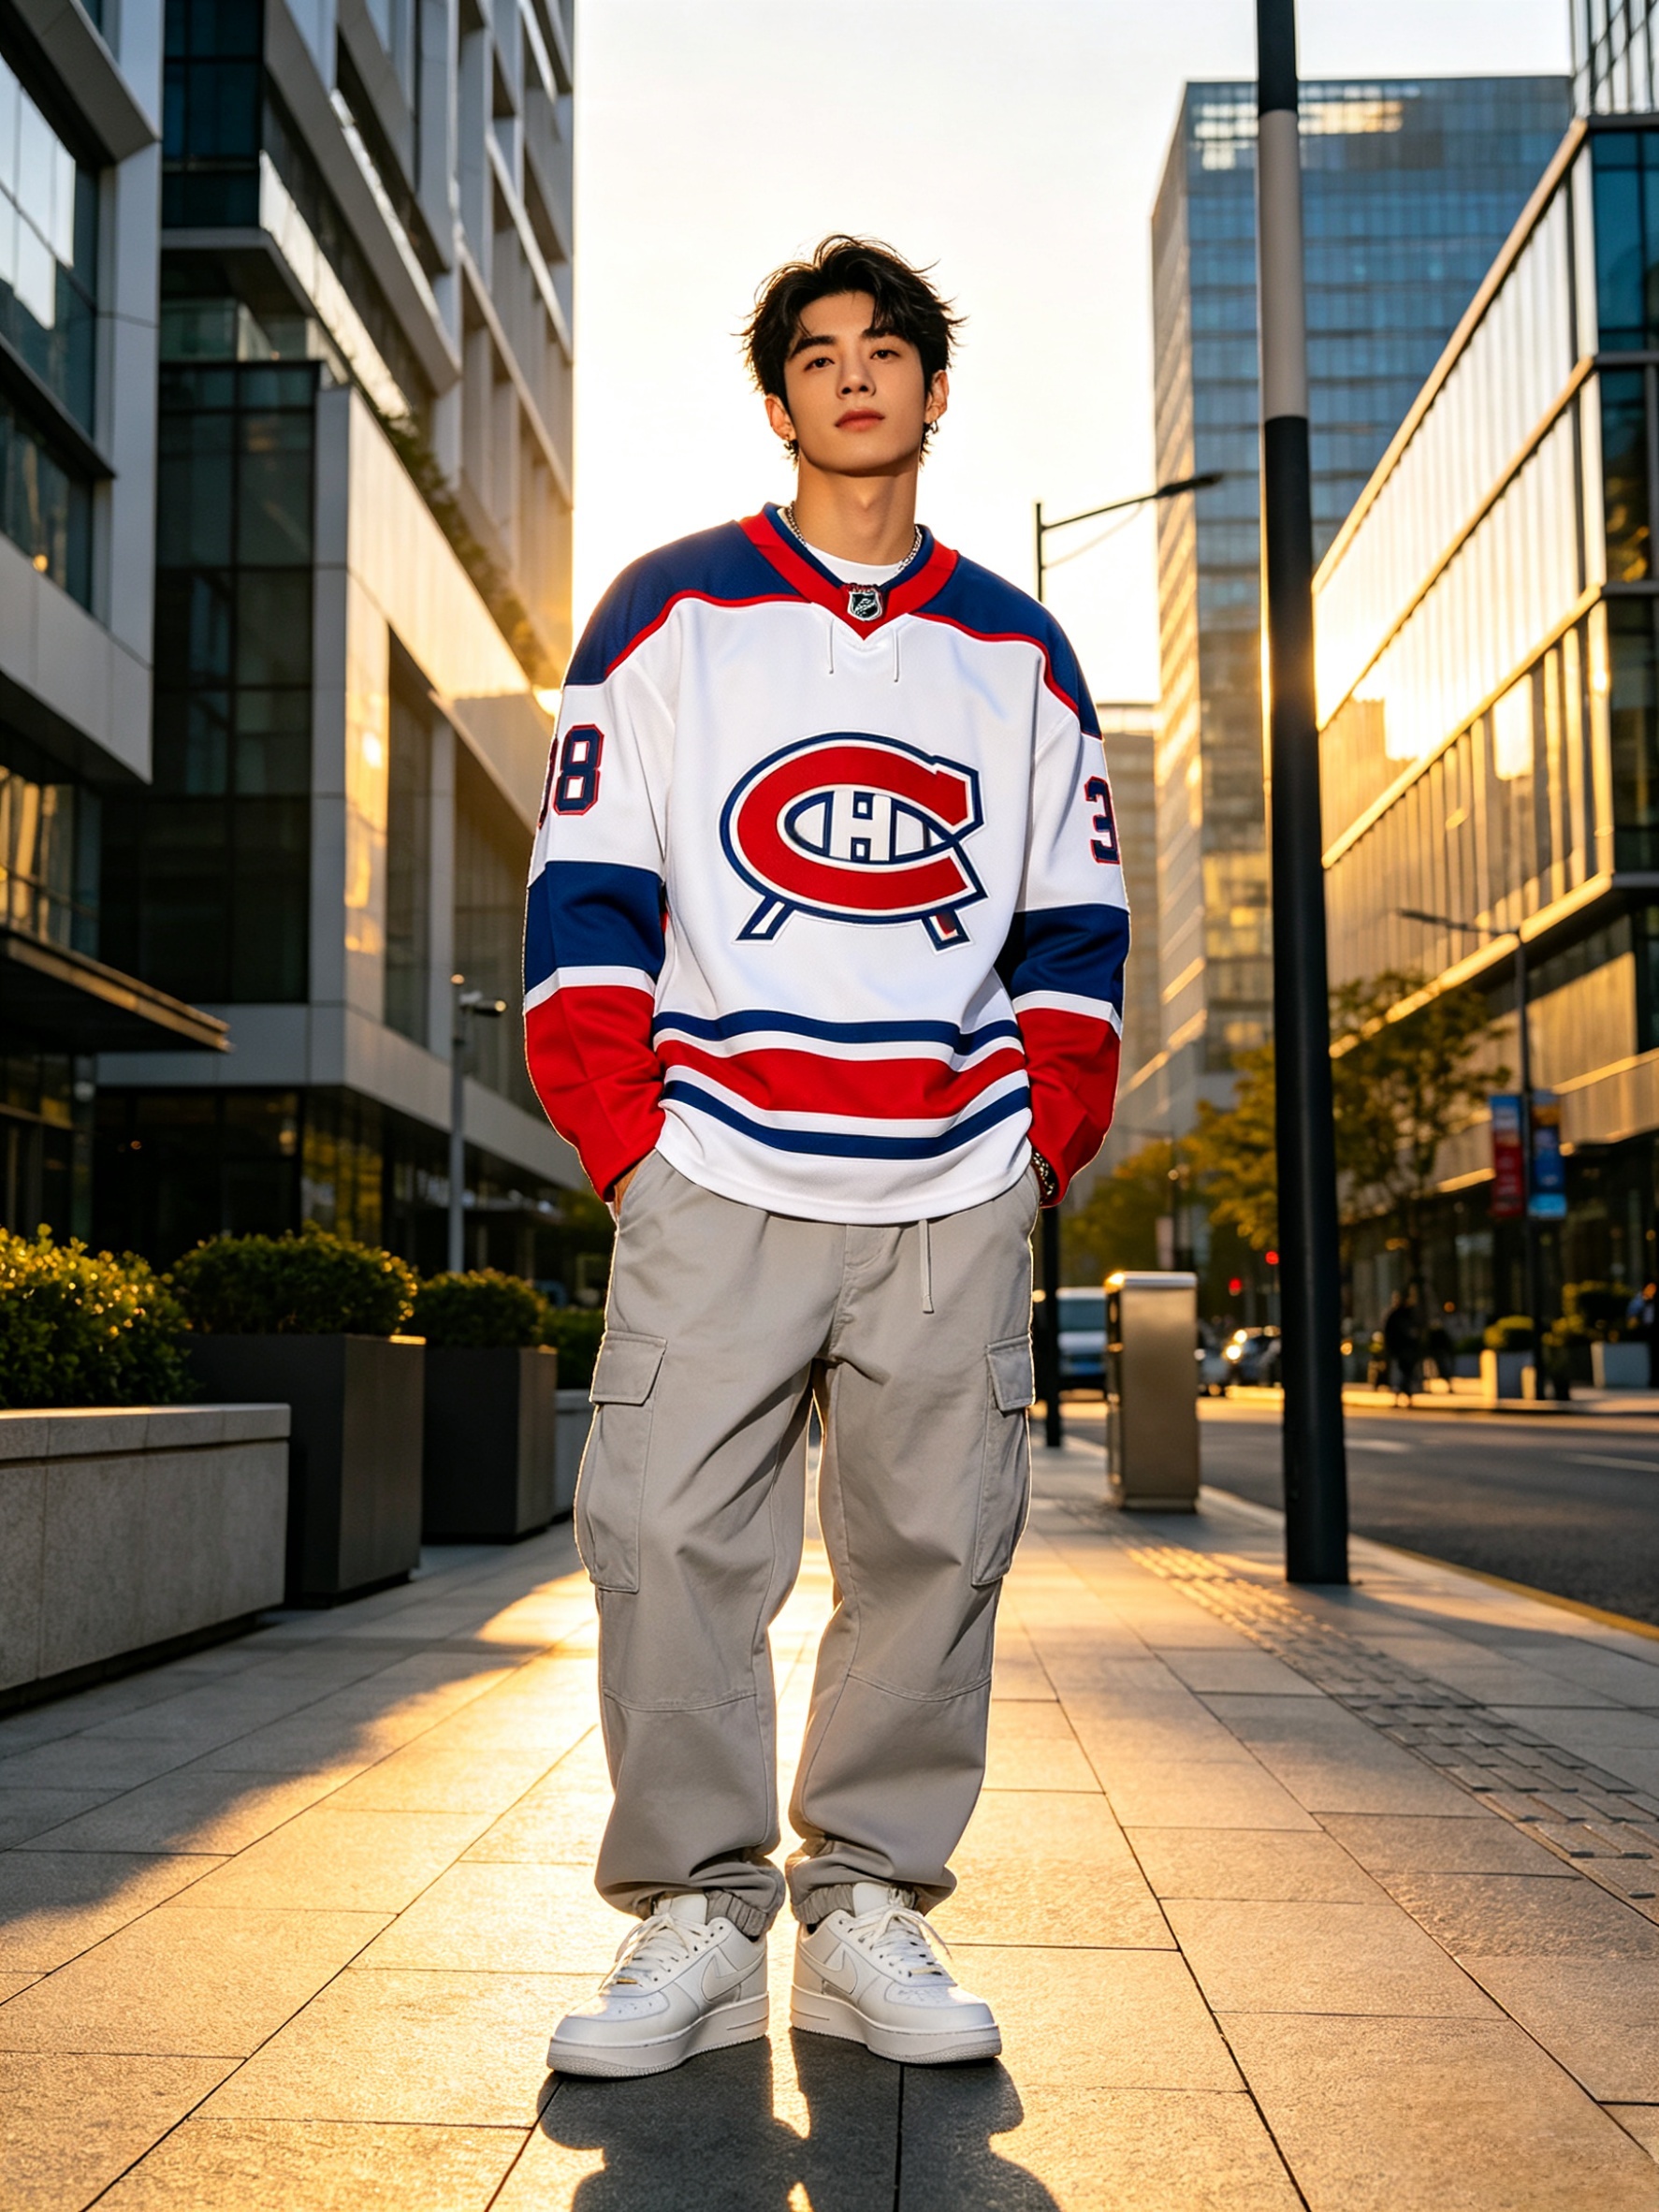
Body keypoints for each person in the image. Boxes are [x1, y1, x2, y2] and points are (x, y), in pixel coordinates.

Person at [523, 237, 1127, 2077]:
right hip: (714, 1154)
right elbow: (586, 903)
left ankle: (864, 1900)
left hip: (948, 1181)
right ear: (776, 400)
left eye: (888, 352)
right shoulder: (660, 613)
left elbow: (1073, 929)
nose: (854, 376)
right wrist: (629, 1144)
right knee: (661, 1534)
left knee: (934, 1550)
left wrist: (1038, 1142)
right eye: (816, 353)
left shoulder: (1018, 648)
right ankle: (696, 1919)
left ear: (935, 394)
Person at [1382, 1288, 1422, 1403]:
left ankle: (1404, 1393)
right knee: (1401, 1374)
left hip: (1406, 1349)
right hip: (1400, 1349)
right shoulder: (1397, 1315)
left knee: (1406, 1373)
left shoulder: (1407, 1314)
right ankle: (1401, 1393)